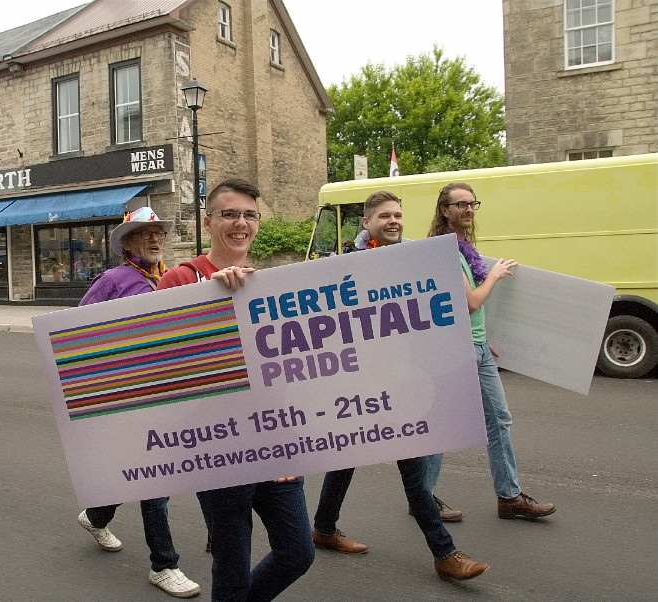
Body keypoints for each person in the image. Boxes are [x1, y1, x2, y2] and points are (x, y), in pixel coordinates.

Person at [311, 191, 489, 581]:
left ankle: (442, 554)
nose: (393, 221)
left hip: (399, 383)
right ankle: (442, 553)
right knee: (350, 461)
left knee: (407, 464)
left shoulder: (413, 258)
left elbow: (432, 310)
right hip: (360, 384)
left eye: (398, 215)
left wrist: (464, 340)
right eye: (384, 216)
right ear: (366, 223)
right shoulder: (347, 265)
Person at [158, 178, 315, 601]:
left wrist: (286, 440)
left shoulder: (269, 287)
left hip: (273, 440)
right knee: (231, 560)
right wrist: (211, 299)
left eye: (249, 214)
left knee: (297, 552)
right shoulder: (179, 280)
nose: (239, 223)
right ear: (208, 222)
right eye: (229, 214)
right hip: (218, 445)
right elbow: (165, 365)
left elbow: (281, 371)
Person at [74, 206, 200, 599]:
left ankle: (96, 516)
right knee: (155, 479)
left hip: (164, 391)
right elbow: (78, 331)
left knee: (139, 470)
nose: (155, 238)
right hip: (127, 393)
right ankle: (164, 564)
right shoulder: (113, 279)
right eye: (146, 233)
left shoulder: (168, 279)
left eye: (159, 232)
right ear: (127, 242)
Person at [428, 183, 557, 520]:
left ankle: (509, 497)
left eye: (472, 204)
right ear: (444, 210)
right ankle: (422, 498)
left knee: (498, 420)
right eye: (460, 205)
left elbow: (473, 312)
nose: (468, 210)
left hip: (478, 348)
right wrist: (496, 275)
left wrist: (485, 339)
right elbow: (469, 303)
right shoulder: (443, 250)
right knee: (445, 426)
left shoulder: (463, 248)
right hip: (458, 351)